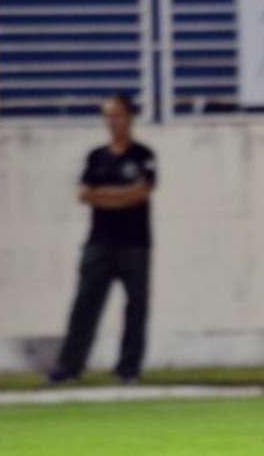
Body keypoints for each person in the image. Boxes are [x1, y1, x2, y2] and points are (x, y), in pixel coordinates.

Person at [47, 94, 157, 385]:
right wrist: (120, 196)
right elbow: (84, 194)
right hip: (99, 243)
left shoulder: (143, 155)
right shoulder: (96, 156)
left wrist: (105, 196)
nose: (112, 121)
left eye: (117, 114)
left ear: (129, 117)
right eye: (107, 115)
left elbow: (141, 193)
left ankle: (129, 368)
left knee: (136, 307)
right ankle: (70, 366)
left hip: (135, 244)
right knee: (84, 305)